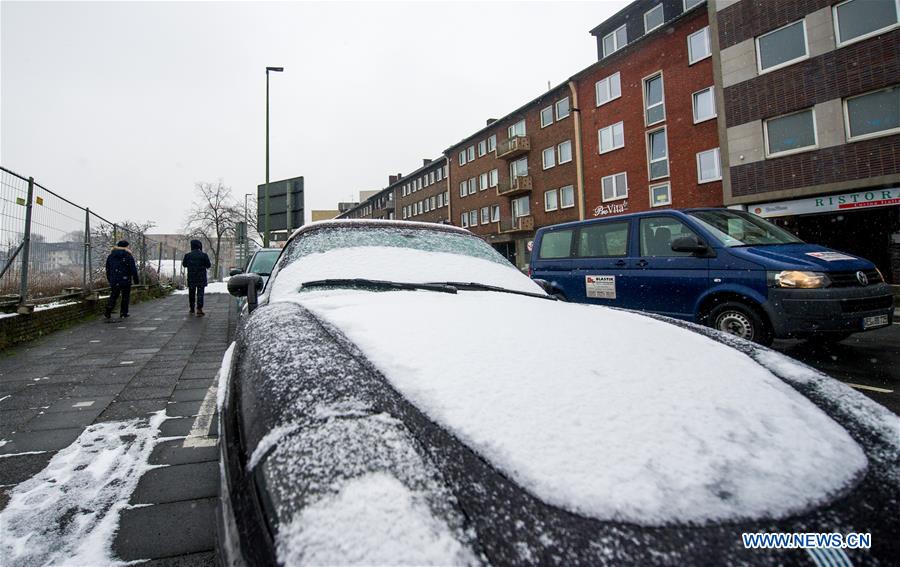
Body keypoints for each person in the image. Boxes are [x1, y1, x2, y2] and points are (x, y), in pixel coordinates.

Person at [105, 240, 139, 320]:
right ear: (126, 246)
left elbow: (108, 269)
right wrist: (136, 279)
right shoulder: (128, 256)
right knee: (125, 296)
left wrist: (110, 279)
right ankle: (123, 313)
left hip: (114, 279)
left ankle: (108, 310)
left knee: (114, 295)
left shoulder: (111, 256)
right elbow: (133, 269)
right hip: (125, 279)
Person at [182, 239, 212, 316]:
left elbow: (184, 265)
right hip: (201, 277)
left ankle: (192, 308)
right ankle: (199, 309)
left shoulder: (188, 255)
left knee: (191, 293)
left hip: (192, 277)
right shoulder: (204, 255)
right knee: (200, 293)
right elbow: (208, 265)